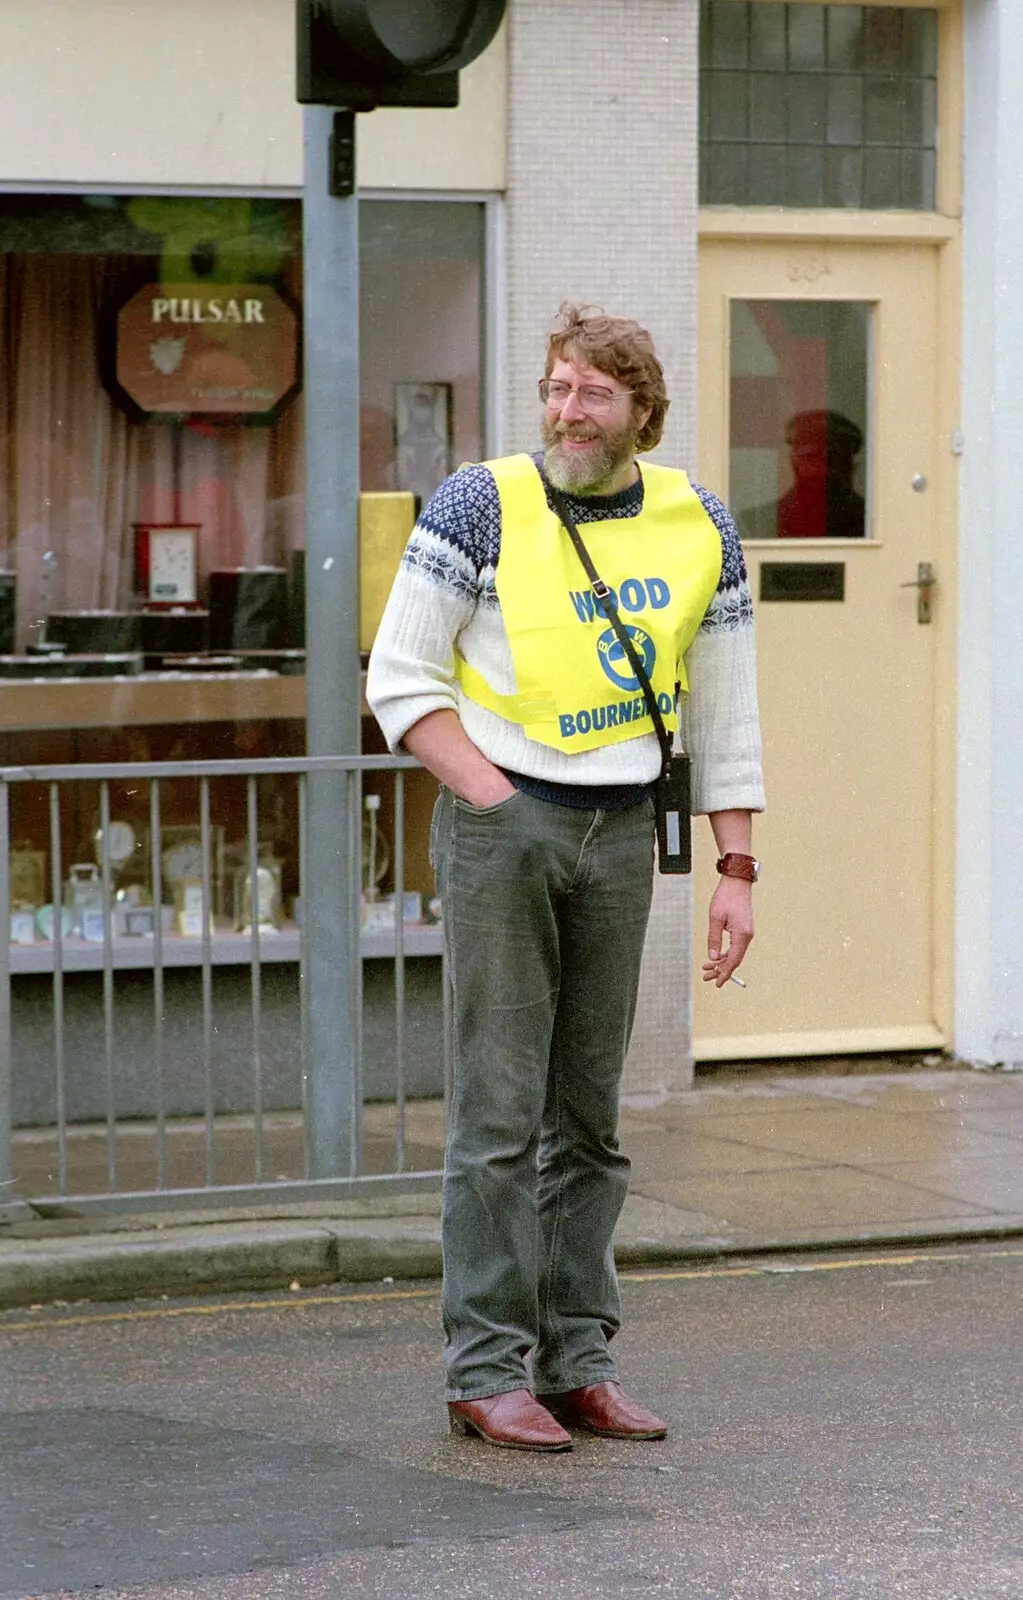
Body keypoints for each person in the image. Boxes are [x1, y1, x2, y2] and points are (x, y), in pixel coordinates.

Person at [367, 305, 764, 1453]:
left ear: (644, 410)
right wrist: (497, 801)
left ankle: (579, 1358)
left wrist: (737, 864)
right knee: (498, 1112)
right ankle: (486, 1369)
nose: (566, 412)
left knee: (589, 1118)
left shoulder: (702, 526)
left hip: (623, 829)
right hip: (508, 826)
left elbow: (726, 713)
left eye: (593, 394)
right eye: (554, 388)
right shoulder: (480, 502)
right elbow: (402, 680)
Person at [740, 409, 866, 540]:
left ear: (851, 464)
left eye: (834, 458)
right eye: (812, 457)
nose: (822, 468)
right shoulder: (756, 523)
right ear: (794, 461)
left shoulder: (874, 523)